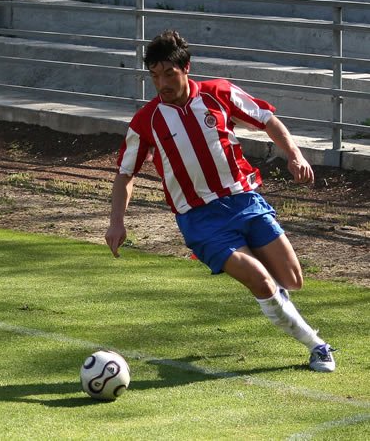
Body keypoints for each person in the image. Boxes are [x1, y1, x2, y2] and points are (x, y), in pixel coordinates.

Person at [105, 30, 336, 373]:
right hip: (200, 220)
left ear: (186, 69)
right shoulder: (146, 121)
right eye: (155, 76)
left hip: (245, 201)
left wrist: (294, 155)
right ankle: (317, 346)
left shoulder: (219, 93)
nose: (162, 83)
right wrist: (116, 222)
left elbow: (267, 119)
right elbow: (126, 174)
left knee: (292, 280)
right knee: (260, 279)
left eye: (169, 73)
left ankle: (276, 299)